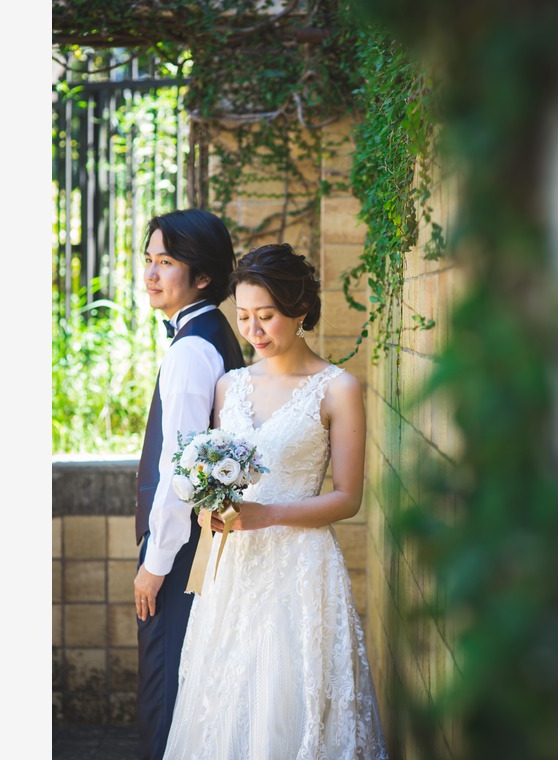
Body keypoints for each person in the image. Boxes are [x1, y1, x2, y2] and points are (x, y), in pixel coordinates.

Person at [163, 243, 388, 759]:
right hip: (233, 571)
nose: (253, 331)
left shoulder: (338, 389)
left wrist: (267, 516)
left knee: (291, 697)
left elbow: (347, 498)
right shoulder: (229, 386)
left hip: (301, 571)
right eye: (243, 317)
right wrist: (206, 502)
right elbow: (219, 477)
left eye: (266, 316)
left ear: (300, 311)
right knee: (225, 700)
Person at [133, 208, 246, 760]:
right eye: (149, 260)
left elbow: (180, 473)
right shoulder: (213, 332)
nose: (151, 274)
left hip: (181, 554)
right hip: (202, 545)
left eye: (167, 262)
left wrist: (154, 566)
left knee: (167, 688)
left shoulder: (190, 350)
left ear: (202, 276)